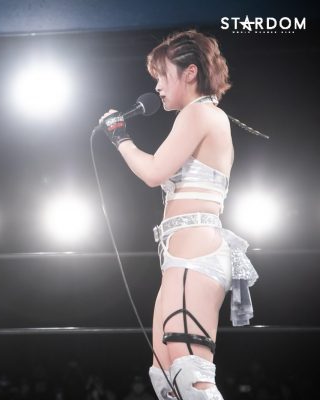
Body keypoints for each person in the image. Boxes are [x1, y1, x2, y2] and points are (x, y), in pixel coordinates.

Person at [98, 30, 258, 399]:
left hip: (194, 254)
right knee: (166, 376)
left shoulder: (198, 112)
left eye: (161, 75)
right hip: (182, 255)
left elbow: (154, 172)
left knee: (190, 375)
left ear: (189, 72)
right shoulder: (201, 115)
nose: (156, 86)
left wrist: (120, 138)